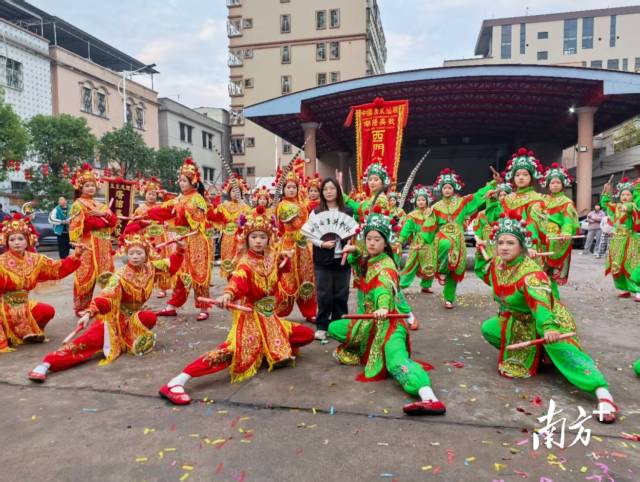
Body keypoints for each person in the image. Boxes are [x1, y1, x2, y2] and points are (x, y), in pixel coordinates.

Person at [158, 206, 314, 405]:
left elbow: (281, 271)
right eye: (254, 237)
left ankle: (266, 349)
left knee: (306, 335)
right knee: (229, 353)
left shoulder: (272, 257)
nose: (258, 241)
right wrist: (227, 294)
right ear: (247, 239)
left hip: (271, 319)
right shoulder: (245, 263)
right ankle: (178, 381)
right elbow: (238, 281)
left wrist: (284, 259)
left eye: (263, 237)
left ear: (269, 239)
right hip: (250, 318)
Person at [476, 214, 618, 423]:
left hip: (549, 319)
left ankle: (602, 393)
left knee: (564, 352)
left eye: (510, 243)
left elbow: (541, 305)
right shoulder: (499, 264)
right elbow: (485, 272)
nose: (504, 247)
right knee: (489, 329)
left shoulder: (532, 275)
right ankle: (541, 355)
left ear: (522, 247)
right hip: (519, 321)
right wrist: (481, 251)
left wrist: (549, 327)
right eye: (501, 243)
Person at [28, 223, 184, 381]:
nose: (135, 257)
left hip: (134, 317)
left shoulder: (151, 268)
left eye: (139, 253)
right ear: (126, 255)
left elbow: (171, 263)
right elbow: (106, 296)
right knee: (87, 342)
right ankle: (46, 364)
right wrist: (89, 313)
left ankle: (127, 338)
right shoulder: (120, 275)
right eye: (131, 253)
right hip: (115, 317)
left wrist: (180, 249)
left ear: (146, 255)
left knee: (148, 317)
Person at [328, 209, 446, 416]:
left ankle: (429, 398)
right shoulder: (369, 259)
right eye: (369, 239)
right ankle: (364, 350)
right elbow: (360, 262)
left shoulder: (386, 267)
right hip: (368, 323)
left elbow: (384, 287)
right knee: (334, 327)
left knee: (396, 362)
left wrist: (383, 307)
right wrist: (355, 251)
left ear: (385, 243)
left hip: (389, 325)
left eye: (377, 240)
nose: (372, 243)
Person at [0, 214, 85, 353]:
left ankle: (25, 332)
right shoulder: (1, 262)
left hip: (24, 306)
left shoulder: (35, 259)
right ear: (7, 242)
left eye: (20, 239)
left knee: (46, 311)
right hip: (3, 307)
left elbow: (56, 269)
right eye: (12, 239)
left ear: (28, 240)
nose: (16, 243)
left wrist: (76, 255)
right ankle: (13, 333)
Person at [150, 158, 214, 321]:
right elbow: (164, 210)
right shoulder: (179, 198)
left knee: (199, 275)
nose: (181, 183)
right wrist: (145, 214)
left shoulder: (197, 198)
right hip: (182, 241)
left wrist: (183, 208)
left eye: (184, 180)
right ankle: (172, 306)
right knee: (181, 273)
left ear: (193, 182)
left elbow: (198, 221)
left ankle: (204, 307)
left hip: (196, 240)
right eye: (180, 180)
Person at [431, 167, 499, 308]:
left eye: (450, 187)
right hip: (443, 236)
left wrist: (492, 184)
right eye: (445, 188)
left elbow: (477, 196)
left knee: (454, 270)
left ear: (454, 189)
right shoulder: (436, 207)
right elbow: (430, 225)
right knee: (445, 245)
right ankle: (442, 270)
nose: (447, 190)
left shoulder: (461, 203)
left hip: (458, 238)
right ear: (441, 190)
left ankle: (449, 299)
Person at [307, 178, 353, 341]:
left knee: (341, 293)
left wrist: (350, 244)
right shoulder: (316, 212)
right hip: (322, 258)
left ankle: (339, 325)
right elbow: (309, 234)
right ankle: (322, 326)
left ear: (338, 191)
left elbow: (354, 232)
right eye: (325, 189)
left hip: (343, 259)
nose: (329, 192)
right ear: (322, 192)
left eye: (332, 188)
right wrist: (322, 243)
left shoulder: (348, 211)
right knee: (324, 293)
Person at [68, 163, 117, 315]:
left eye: (92, 185)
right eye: (87, 185)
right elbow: (81, 224)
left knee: (107, 275)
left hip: (103, 245)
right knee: (85, 275)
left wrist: (103, 215)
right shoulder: (77, 204)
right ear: (80, 188)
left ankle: (107, 303)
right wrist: (102, 220)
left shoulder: (100, 204)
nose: (90, 188)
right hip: (88, 244)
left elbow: (113, 221)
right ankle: (82, 307)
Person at [274, 162, 318, 321]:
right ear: (283, 189)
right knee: (288, 278)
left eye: (294, 187)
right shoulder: (283, 205)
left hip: (303, 245)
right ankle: (279, 311)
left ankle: (310, 311)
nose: (291, 190)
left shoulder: (301, 204)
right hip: (290, 244)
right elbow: (296, 224)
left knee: (307, 277)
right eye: (288, 187)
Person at [540, 163, 579, 299]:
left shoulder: (566, 202)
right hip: (542, 237)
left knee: (552, 271)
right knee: (540, 268)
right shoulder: (543, 200)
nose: (555, 185)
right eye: (552, 183)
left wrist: (566, 232)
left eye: (558, 182)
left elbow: (568, 220)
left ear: (562, 184)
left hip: (556, 238)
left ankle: (553, 296)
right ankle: (541, 294)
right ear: (548, 185)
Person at [133, 177, 174, 299]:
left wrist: (166, 224)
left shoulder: (161, 207)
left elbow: (169, 215)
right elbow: (134, 224)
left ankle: (163, 288)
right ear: (145, 194)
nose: (151, 196)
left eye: (154, 194)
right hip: (146, 238)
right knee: (145, 262)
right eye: (149, 194)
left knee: (161, 262)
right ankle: (144, 286)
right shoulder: (140, 209)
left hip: (160, 238)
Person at [600, 177, 640, 301]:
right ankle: (624, 288)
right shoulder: (616, 207)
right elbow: (605, 204)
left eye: (628, 195)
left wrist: (626, 207)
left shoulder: (633, 206)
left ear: (632, 196)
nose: (625, 197)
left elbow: (629, 208)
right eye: (623, 194)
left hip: (630, 239)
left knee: (632, 264)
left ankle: (638, 289)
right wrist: (606, 192)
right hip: (617, 240)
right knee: (616, 264)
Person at [209, 174, 250, 279]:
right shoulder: (224, 206)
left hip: (240, 239)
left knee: (240, 261)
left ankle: (240, 282)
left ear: (241, 193)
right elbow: (213, 216)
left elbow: (250, 223)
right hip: (227, 238)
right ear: (229, 192)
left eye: (238, 191)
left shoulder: (245, 208)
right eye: (233, 191)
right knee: (228, 260)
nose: (235, 194)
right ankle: (230, 281)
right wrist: (210, 206)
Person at [398, 185, 436, 298]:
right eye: (418, 200)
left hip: (429, 242)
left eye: (423, 200)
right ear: (415, 201)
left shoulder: (431, 214)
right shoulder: (412, 215)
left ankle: (426, 285)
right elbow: (406, 229)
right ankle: (402, 285)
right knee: (411, 264)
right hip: (416, 243)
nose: (421, 202)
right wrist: (400, 240)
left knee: (429, 264)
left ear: (427, 201)